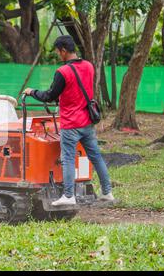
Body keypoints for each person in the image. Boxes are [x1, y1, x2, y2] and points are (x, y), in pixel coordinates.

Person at [24, 35, 114, 206]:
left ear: (63, 51)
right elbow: (77, 90)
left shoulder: (62, 72)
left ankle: (68, 195)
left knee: (67, 158)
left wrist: (32, 92)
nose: (58, 55)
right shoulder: (88, 66)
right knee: (95, 157)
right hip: (87, 121)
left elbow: (49, 96)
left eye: (58, 52)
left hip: (71, 123)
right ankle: (107, 192)